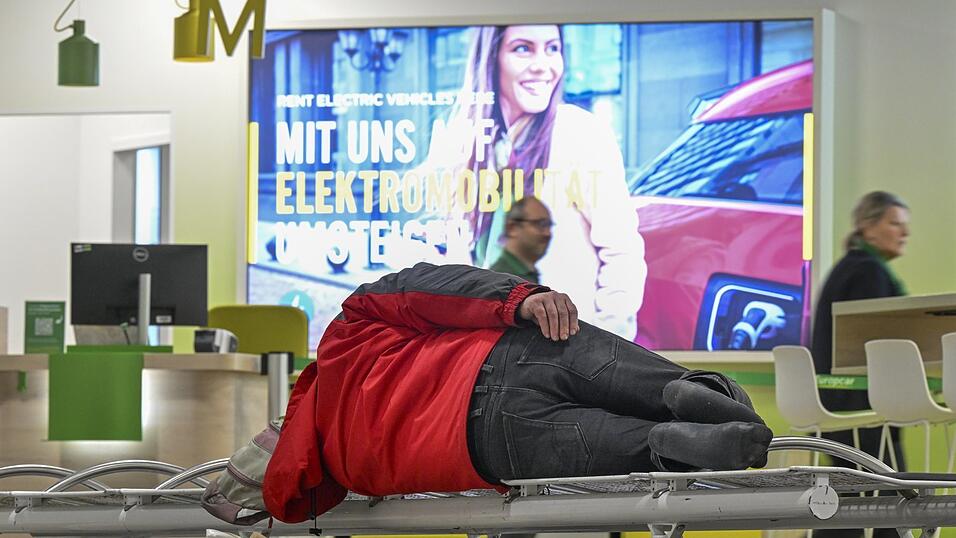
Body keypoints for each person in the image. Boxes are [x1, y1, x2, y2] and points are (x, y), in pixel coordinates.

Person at [263, 262, 772, 523]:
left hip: (491, 445)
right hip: (510, 355)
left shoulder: (353, 472)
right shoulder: (340, 342)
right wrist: (520, 299)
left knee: (627, 447)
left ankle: (666, 443)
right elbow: (423, 286)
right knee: (653, 383)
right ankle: (686, 392)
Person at [420, 24, 646, 340]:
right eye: (523, 48)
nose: (543, 65)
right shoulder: (464, 141)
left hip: (567, 358)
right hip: (489, 356)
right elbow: (459, 269)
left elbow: (622, 254)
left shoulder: (580, 132)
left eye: (553, 48)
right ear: (492, 57)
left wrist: (602, 352)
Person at [811, 191, 910, 538]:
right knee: (895, 498)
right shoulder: (869, 272)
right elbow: (885, 344)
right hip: (861, 410)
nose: (904, 233)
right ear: (868, 228)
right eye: (895, 223)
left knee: (844, 502)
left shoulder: (848, 267)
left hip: (830, 408)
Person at [488, 197, 552, 283]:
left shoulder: (523, 277)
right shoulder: (502, 281)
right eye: (540, 224)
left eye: (549, 225)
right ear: (512, 228)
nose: (548, 233)